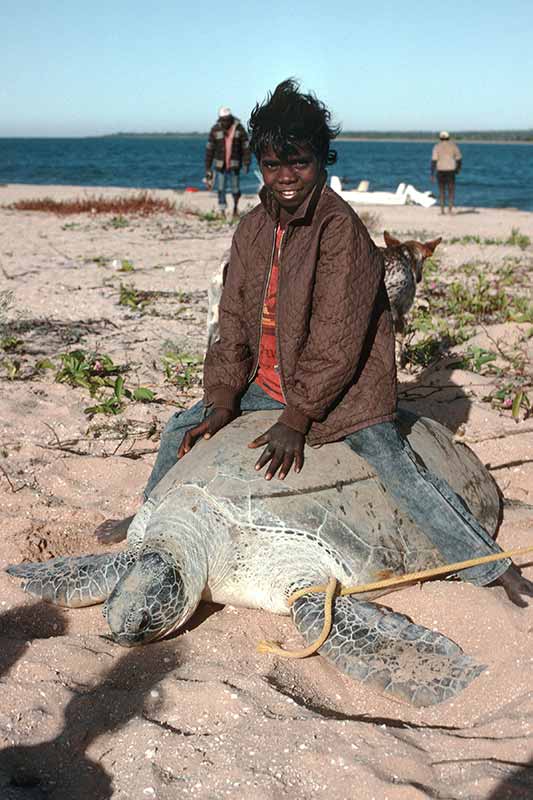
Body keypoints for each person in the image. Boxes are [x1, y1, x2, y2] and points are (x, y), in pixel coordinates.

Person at [97, 79, 532, 608]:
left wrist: (298, 418)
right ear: (259, 161)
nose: (285, 178)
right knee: (180, 427)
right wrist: (222, 399)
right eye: (273, 164)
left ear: (323, 160)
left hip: (345, 391)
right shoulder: (253, 228)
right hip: (271, 381)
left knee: (396, 466)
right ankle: (144, 517)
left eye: (299, 164)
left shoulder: (340, 229)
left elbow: (338, 337)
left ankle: (489, 566)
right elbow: (232, 319)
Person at [205, 106, 251, 218]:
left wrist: (246, 162)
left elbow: (246, 147)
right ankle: (222, 211)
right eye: (223, 119)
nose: (225, 121)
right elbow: (210, 149)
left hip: (235, 164)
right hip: (220, 165)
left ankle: (235, 208)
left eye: (227, 119)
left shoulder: (239, 128)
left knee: (236, 189)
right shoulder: (215, 129)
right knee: (221, 188)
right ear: (220, 119)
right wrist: (208, 167)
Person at [431, 131, 462, 214]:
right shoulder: (454, 146)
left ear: (440, 138)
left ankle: (442, 211)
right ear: (448, 137)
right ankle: (450, 210)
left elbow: (434, 161)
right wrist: (458, 169)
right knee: (451, 191)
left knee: (441, 191)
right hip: (451, 171)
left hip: (440, 170)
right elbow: (459, 159)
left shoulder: (437, 147)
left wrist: (432, 174)